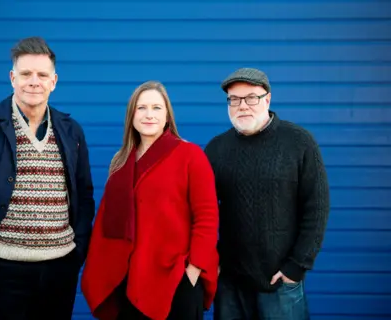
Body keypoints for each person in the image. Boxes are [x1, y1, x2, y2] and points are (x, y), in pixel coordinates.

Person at [0, 36, 95, 320]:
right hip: (2, 269)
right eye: (26, 74)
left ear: (54, 81)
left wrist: (78, 252)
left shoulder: (71, 130)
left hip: (59, 269)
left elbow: (84, 194)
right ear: (12, 78)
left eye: (42, 75)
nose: (33, 81)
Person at [81, 81, 219, 320]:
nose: (149, 115)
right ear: (131, 115)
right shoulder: (121, 160)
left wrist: (193, 271)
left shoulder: (190, 155)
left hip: (175, 279)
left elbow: (207, 217)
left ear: (167, 116)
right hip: (130, 280)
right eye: (141, 108)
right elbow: (107, 221)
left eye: (157, 108)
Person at [205, 68, 330, 320]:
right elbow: (202, 210)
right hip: (231, 281)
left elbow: (316, 207)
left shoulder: (299, 142)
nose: (243, 106)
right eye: (234, 99)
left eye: (252, 97)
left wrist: (296, 266)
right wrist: (210, 258)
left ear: (268, 99)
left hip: (280, 281)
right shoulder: (216, 149)